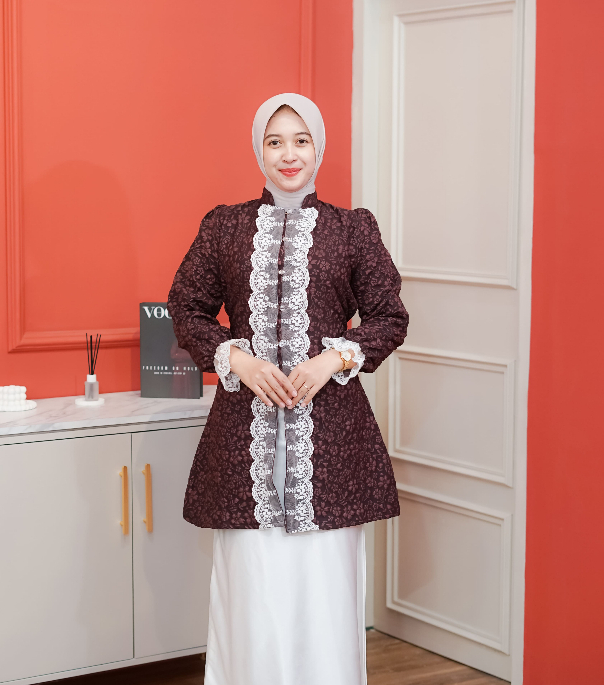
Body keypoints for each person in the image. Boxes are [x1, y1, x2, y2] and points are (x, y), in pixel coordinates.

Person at [168, 93, 409, 685]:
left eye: (301, 140)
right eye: (274, 141)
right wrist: (238, 360)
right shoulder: (224, 227)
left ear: (319, 147)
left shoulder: (353, 229)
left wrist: (331, 359)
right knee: (253, 592)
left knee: (323, 593)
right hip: (243, 447)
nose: (288, 154)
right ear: (259, 150)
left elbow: (389, 317)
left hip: (330, 448)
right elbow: (186, 307)